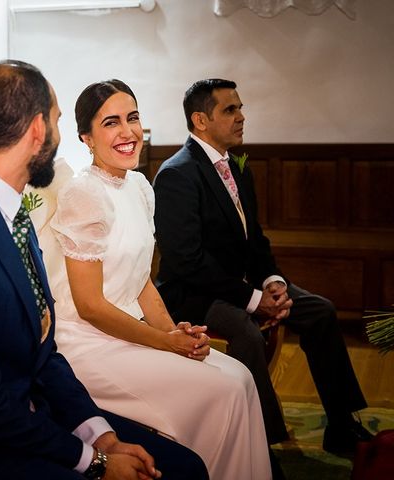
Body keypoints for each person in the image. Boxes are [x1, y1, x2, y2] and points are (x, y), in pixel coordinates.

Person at [0, 60, 208, 480]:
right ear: (39, 129)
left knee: (185, 466)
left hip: (33, 414)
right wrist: (91, 461)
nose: (59, 136)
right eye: (58, 120)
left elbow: (44, 355)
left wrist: (101, 436)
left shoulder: (14, 217)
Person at [38, 79, 271, 480]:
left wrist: (173, 329)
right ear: (86, 137)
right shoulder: (84, 195)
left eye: (132, 118)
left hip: (132, 330)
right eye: (111, 123)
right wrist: (164, 342)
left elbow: (142, 280)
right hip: (90, 345)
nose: (127, 132)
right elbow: (91, 306)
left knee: (240, 376)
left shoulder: (141, 187)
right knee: (223, 389)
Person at [152, 78, 373, 455]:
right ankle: (262, 444)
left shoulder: (237, 167)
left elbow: (254, 239)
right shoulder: (177, 174)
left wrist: (273, 282)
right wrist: (254, 300)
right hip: (194, 294)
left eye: (240, 108)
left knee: (320, 310)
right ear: (200, 120)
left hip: (242, 283)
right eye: (230, 109)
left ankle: (340, 424)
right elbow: (187, 260)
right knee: (248, 333)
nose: (242, 117)